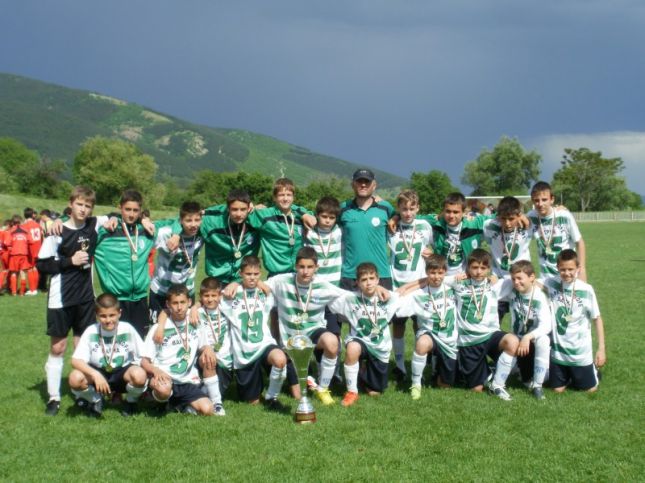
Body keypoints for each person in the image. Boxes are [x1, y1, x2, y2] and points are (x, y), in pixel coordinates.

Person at [36, 186, 105, 415]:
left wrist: (120, 219)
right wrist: (70, 261)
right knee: (58, 347)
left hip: (85, 299)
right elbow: (42, 265)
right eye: (79, 204)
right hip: (60, 300)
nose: (83, 209)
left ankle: (82, 394)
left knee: (82, 348)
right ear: (71, 204)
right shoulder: (57, 231)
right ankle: (54, 398)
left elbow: (115, 217)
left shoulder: (93, 225)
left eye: (88, 206)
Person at [263, 247, 345, 405]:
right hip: (290, 341)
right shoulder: (281, 281)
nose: (305, 271)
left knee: (332, 342)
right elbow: (259, 284)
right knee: (298, 396)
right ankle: (306, 379)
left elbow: (349, 296)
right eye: (301, 267)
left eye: (309, 267)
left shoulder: (323, 286)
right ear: (295, 266)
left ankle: (323, 388)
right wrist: (234, 285)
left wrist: (378, 289)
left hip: (312, 332)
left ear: (316, 268)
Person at [328, 262, 403, 407]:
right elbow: (328, 292)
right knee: (352, 348)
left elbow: (404, 291)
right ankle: (352, 392)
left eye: (371, 278)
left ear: (378, 279)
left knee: (374, 392)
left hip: (380, 347)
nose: (368, 283)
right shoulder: (349, 298)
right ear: (357, 282)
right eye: (364, 279)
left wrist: (425, 281)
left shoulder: (388, 297)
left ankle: (362, 373)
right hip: (359, 340)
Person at [218, 256, 288, 409]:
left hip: (263, 343)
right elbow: (208, 299)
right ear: (241, 273)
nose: (252, 278)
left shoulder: (265, 291)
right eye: (248, 274)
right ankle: (253, 392)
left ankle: (272, 398)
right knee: (252, 402)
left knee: (280, 359)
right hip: (243, 351)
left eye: (256, 274)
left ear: (260, 274)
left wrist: (261, 284)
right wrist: (195, 307)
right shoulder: (231, 293)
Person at [453, 249, 519, 400]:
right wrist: (404, 288)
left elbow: (524, 277)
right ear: (468, 267)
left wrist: (495, 277)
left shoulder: (495, 284)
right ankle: (489, 371)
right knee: (476, 389)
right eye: (475, 267)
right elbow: (432, 279)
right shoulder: (458, 283)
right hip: (469, 341)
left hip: (490, 335)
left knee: (512, 341)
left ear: (489, 269)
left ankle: (498, 385)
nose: (478, 272)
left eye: (483, 268)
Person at [140, 284, 216, 416]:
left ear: (189, 302)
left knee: (208, 410)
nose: (179, 307)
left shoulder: (195, 321)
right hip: (165, 378)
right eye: (175, 303)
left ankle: (179, 405)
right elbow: (144, 361)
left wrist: (208, 348)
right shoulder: (159, 328)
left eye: (182, 302)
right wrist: (156, 371)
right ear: (168, 304)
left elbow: (204, 345)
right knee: (164, 390)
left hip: (187, 381)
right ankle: (160, 404)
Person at [68, 293, 148, 417]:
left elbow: (144, 354)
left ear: (119, 313)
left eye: (112, 315)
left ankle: (131, 401)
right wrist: (95, 374)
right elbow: (75, 360)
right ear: (97, 315)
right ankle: (96, 399)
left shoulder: (127, 329)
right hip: (98, 372)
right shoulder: (91, 330)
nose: (108, 320)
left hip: (122, 373)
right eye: (103, 316)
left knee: (140, 375)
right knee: (75, 378)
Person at [542, 249, 606, 392]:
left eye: (571, 269)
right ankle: (569, 376)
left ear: (578, 268)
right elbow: (531, 281)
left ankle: (593, 371)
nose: (567, 273)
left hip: (580, 352)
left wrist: (601, 349)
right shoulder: (550, 283)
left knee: (590, 390)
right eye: (563, 269)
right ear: (557, 268)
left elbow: (597, 318)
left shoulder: (586, 290)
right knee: (557, 390)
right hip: (558, 353)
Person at [94, 189, 155, 337]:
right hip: (116, 300)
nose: (131, 214)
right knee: (117, 342)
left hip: (140, 299)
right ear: (120, 208)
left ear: (140, 211)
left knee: (140, 341)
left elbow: (175, 222)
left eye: (135, 210)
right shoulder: (106, 232)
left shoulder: (146, 231)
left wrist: (145, 220)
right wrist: (112, 216)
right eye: (127, 209)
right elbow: (80, 222)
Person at [396, 254, 458, 400]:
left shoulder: (453, 288)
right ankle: (416, 384)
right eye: (432, 272)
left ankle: (437, 369)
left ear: (445, 272)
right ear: (426, 273)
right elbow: (398, 299)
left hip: (449, 340)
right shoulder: (418, 294)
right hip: (429, 334)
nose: (436, 277)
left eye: (440, 273)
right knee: (422, 343)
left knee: (445, 385)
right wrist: (408, 288)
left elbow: (469, 278)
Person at [167, 189, 260, 285]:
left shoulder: (256, 219)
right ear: (228, 208)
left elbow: (268, 213)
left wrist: (260, 209)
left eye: (243, 209)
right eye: (234, 209)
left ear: (249, 208)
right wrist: (175, 234)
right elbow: (184, 218)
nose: (239, 214)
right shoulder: (211, 221)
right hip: (216, 281)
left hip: (244, 281)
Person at [388, 189, 433, 381]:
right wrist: (394, 217)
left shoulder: (424, 226)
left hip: (418, 285)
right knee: (398, 326)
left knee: (419, 326)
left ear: (418, 208)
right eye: (404, 209)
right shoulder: (391, 226)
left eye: (411, 209)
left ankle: (418, 363)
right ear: (398, 209)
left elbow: (433, 247)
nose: (408, 213)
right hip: (397, 284)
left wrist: (431, 252)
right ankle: (399, 365)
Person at [247, 178, 316, 277]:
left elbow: (312, 218)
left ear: (293, 197)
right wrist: (249, 205)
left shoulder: (301, 216)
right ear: (274, 197)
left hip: (298, 274)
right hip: (276, 274)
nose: (285, 198)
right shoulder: (265, 216)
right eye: (281, 195)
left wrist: (304, 214)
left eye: (289, 195)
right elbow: (240, 214)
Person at [338, 169, 394, 291]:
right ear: (353, 184)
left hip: (380, 275)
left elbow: (407, 218)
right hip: (351, 275)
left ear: (374, 185)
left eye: (367, 182)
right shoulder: (343, 208)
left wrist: (395, 218)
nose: (363, 185)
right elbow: (322, 218)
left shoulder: (385, 207)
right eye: (359, 181)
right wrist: (305, 215)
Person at [149, 201, 204, 324]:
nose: (193, 224)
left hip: (186, 291)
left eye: (197, 220)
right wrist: (144, 220)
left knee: (186, 327)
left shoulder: (202, 233)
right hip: (161, 291)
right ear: (181, 220)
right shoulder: (165, 233)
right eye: (188, 220)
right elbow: (148, 229)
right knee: (157, 327)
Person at [504, 260, 552, 399]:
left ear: (532, 277)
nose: (516, 282)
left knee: (544, 340)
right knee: (525, 379)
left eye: (520, 278)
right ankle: (518, 371)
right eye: (513, 279)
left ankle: (537, 386)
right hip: (518, 342)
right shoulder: (511, 290)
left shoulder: (539, 296)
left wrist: (528, 336)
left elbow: (546, 326)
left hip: (533, 342)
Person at [482, 196, 532, 321]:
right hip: (498, 282)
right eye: (503, 219)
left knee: (524, 324)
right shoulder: (489, 226)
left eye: (511, 219)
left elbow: (546, 215)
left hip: (520, 281)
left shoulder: (528, 225)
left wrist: (560, 208)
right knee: (491, 323)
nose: (507, 223)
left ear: (519, 215)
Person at [419, 192, 489, 276]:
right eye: (448, 211)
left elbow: (496, 216)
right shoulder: (436, 223)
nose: (451, 216)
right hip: (441, 275)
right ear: (443, 211)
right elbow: (413, 216)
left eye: (456, 212)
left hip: (464, 275)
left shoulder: (474, 224)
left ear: (464, 212)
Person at [528, 181, 587, 281]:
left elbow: (579, 242)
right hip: (546, 278)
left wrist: (582, 269)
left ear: (552, 199)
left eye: (544, 200)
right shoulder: (530, 217)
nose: (540, 204)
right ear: (532, 201)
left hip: (567, 274)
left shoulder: (564, 215)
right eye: (536, 200)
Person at [6, 215, 31, 296]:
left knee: (13, 273)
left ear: (12, 222)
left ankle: (14, 292)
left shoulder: (11, 231)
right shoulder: (26, 230)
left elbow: (7, 243)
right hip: (24, 254)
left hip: (14, 254)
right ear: (20, 221)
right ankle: (22, 293)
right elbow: (30, 241)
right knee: (23, 273)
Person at [22, 208, 43, 295]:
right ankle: (35, 289)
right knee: (35, 268)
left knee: (30, 268)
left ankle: (32, 289)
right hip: (38, 248)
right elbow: (42, 235)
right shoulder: (37, 225)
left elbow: (25, 239)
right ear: (32, 215)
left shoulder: (25, 226)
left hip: (30, 249)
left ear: (25, 215)